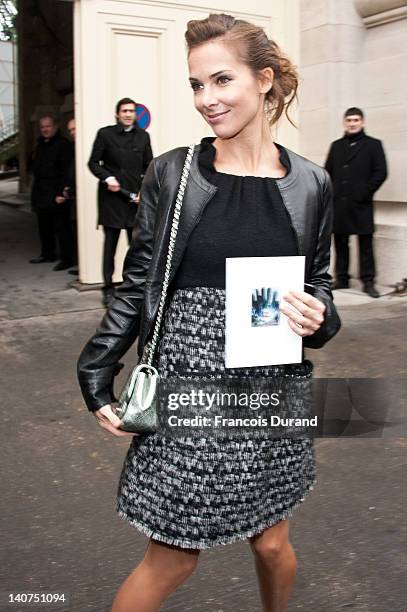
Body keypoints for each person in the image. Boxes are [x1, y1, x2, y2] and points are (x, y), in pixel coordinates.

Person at [77, 13, 341, 612]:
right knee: (172, 556)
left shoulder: (311, 183)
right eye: (197, 85)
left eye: (222, 80)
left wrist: (318, 316)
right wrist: (97, 371)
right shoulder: (175, 171)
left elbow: (320, 284)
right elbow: (137, 280)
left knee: (273, 542)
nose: (207, 99)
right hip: (189, 384)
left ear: (265, 80)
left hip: (274, 384)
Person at [88, 97, 153, 307]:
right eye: (124, 111)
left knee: (135, 247)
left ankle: (132, 288)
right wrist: (108, 178)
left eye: (131, 111)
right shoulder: (105, 134)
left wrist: (144, 192)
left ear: (136, 114)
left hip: (133, 200)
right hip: (111, 200)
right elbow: (93, 163)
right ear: (117, 114)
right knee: (110, 246)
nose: (128, 114)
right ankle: (107, 288)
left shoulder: (143, 137)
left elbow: (149, 167)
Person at [325, 107, 387, 298]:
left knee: (365, 244)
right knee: (341, 242)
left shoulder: (373, 145)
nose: (352, 123)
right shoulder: (336, 146)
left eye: (356, 120)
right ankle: (342, 278)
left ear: (362, 122)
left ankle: (368, 281)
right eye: (349, 120)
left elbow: (380, 172)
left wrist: (365, 192)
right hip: (340, 204)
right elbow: (328, 172)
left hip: (361, 203)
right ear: (345, 122)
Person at [30, 116, 74, 270]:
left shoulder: (63, 145)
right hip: (41, 193)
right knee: (44, 227)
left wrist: (62, 192)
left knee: (62, 228)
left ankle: (67, 258)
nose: (45, 129)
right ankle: (47, 254)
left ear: (55, 126)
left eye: (48, 126)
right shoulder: (39, 145)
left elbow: (66, 171)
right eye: (42, 127)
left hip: (57, 193)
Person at [55, 117, 78, 275]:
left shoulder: (86, 147)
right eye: (70, 130)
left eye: (74, 129)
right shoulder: (72, 147)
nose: (72, 133)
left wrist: (69, 192)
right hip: (72, 197)